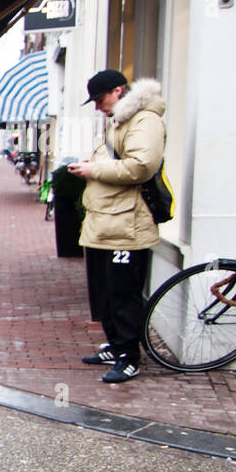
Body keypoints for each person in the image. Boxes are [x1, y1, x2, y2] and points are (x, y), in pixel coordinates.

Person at [67, 69, 166, 383]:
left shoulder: (145, 120)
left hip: (126, 226)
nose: (97, 107)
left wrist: (93, 170)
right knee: (106, 293)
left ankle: (128, 357)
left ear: (119, 91)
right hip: (107, 223)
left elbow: (140, 167)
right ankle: (115, 346)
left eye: (100, 99)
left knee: (123, 293)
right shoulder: (122, 121)